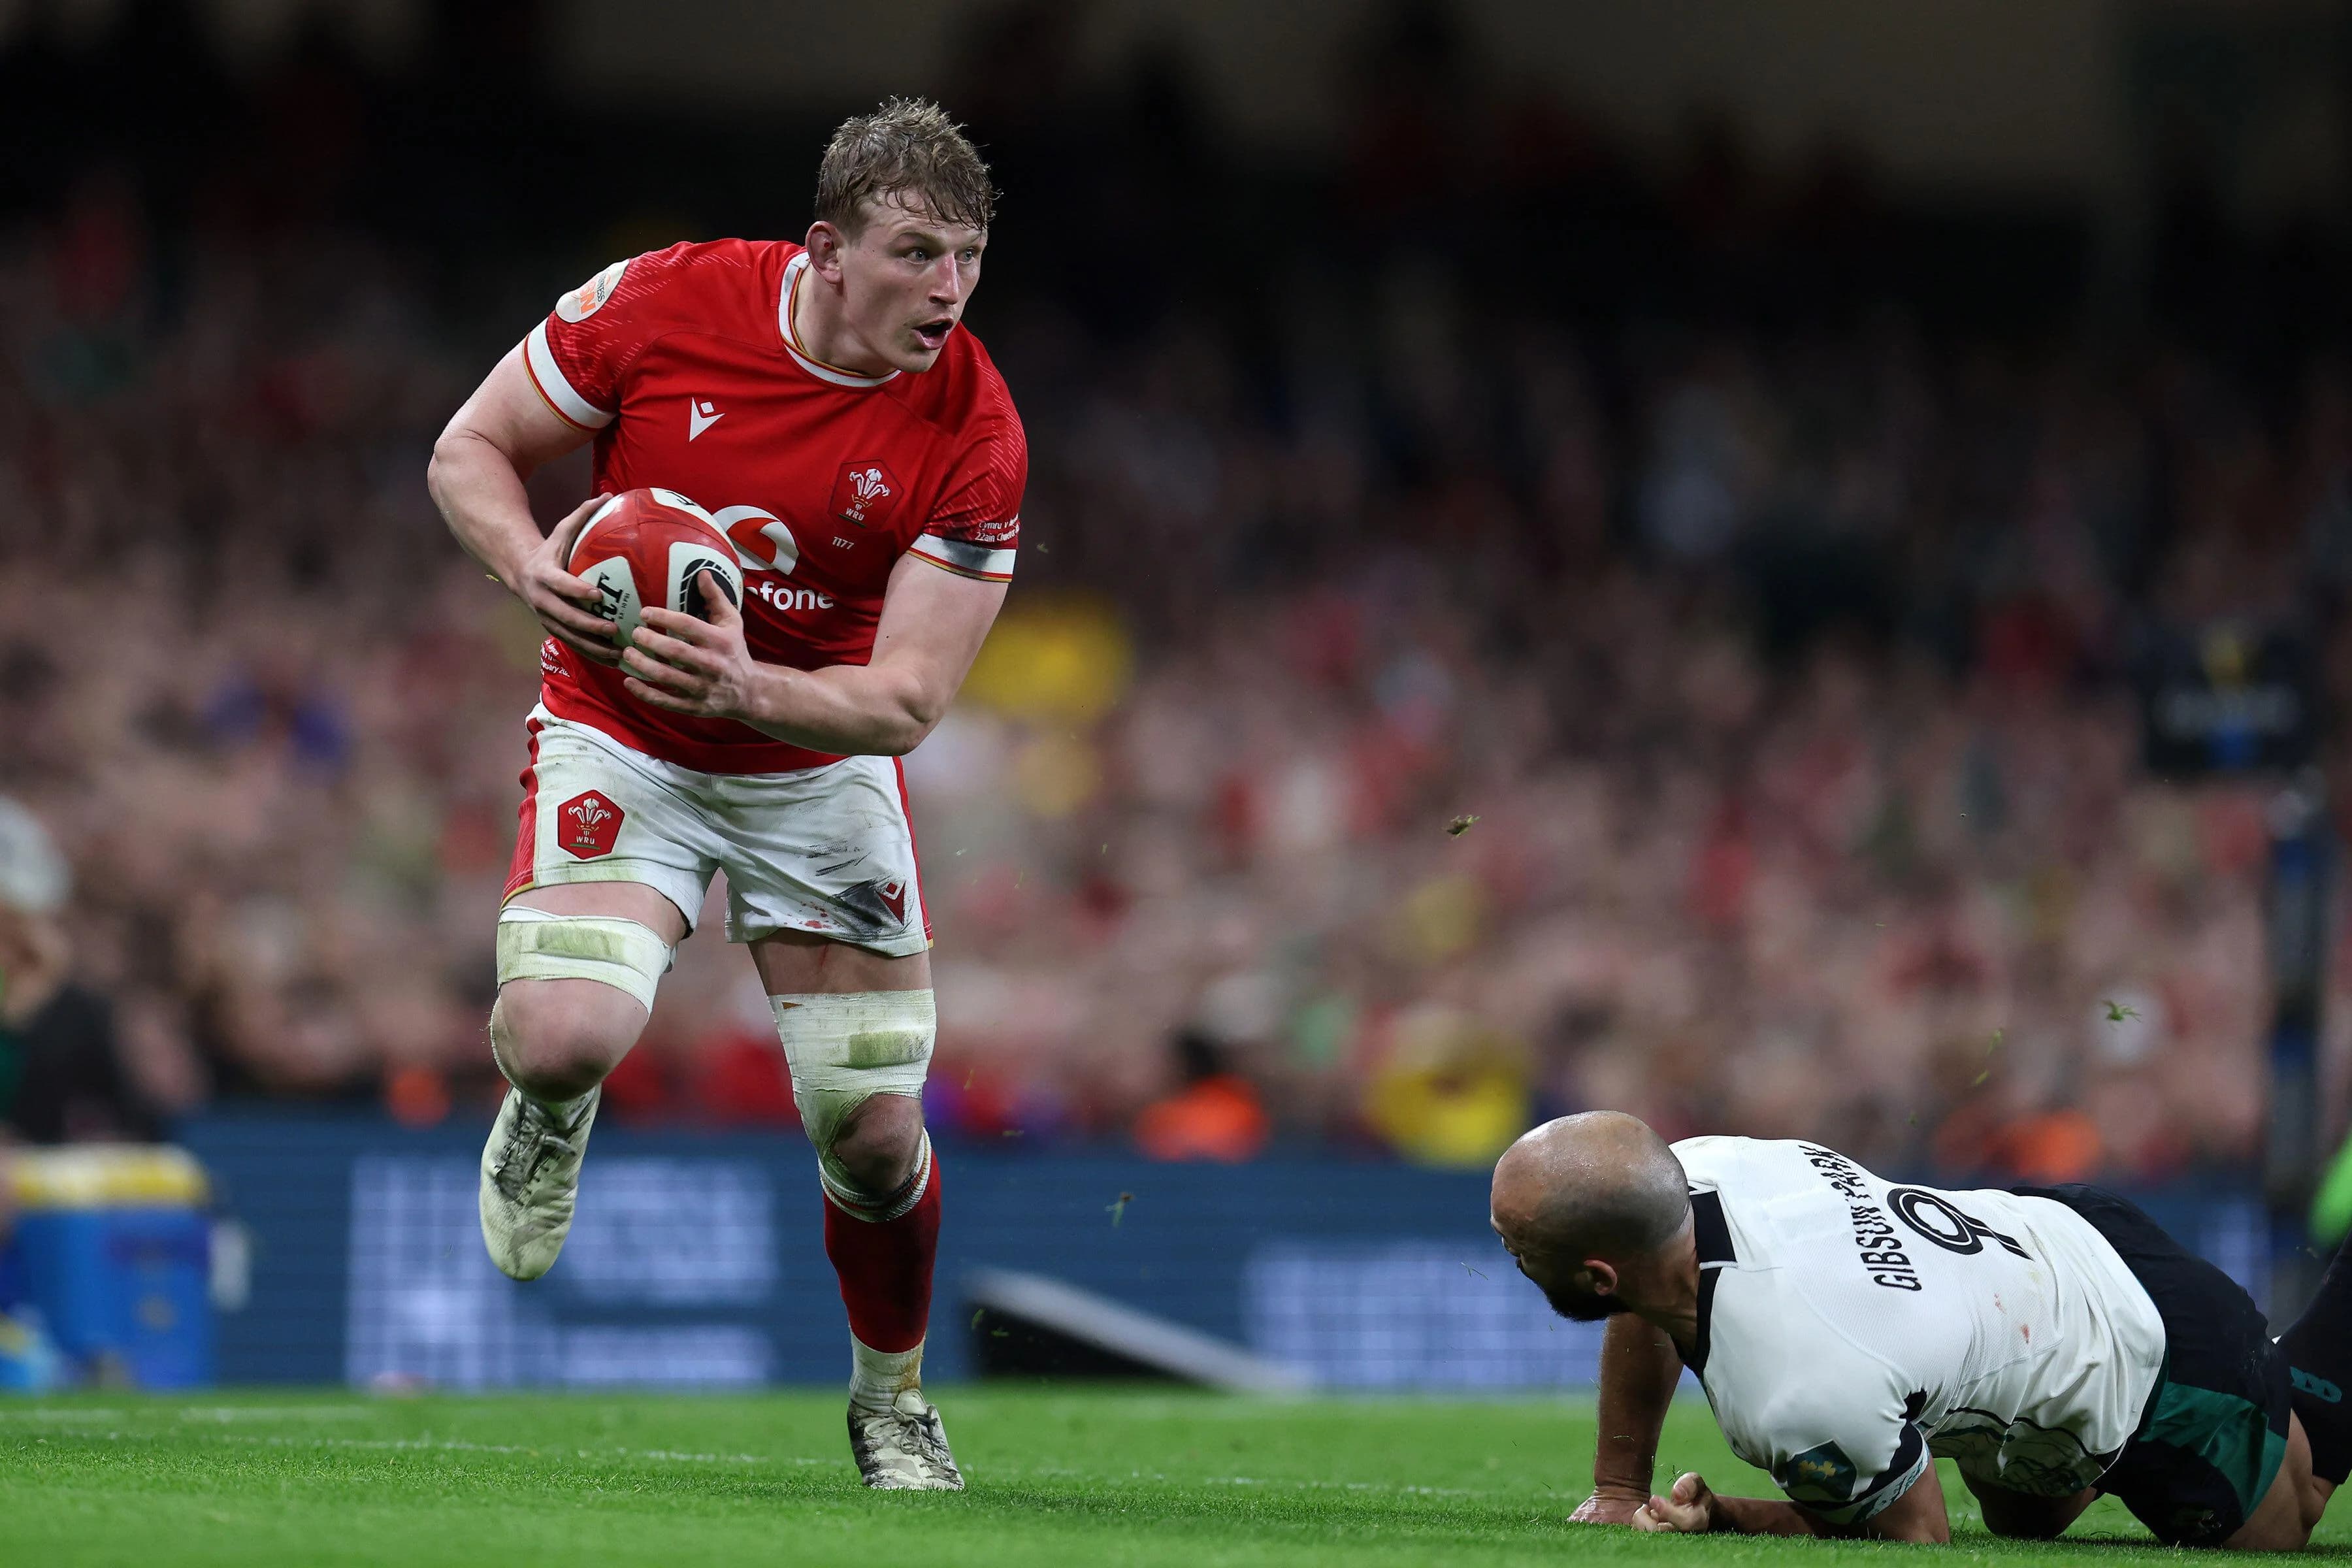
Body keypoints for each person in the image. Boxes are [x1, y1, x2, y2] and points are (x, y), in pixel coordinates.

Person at [425, 97, 1024, 1490]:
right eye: (917, 253)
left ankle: (893, 1398)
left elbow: (909, 702)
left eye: (970, 257)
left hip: (813, 762)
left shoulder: (974, 427)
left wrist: (750, 687)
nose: (947, 289)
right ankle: (550, 1110)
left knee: (874, 1135)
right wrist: (532, 569)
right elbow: (471, 449)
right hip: (621, 729)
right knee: (565, 1033)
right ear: (827, 248)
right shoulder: (666, 300)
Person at [1490, 1111, 2352, 1550]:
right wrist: (1615, 1489)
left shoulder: (1796, 1386)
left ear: (1598, 1276)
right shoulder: (1695, 1168)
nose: (1506, 1249)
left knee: (2288, 1518)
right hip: (2039, 1238)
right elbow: (1651, 1295)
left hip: (2156, 1350)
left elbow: (1917, 1533)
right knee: (2027, 1523)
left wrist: (1725, 1516)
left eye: (1518, 1243)